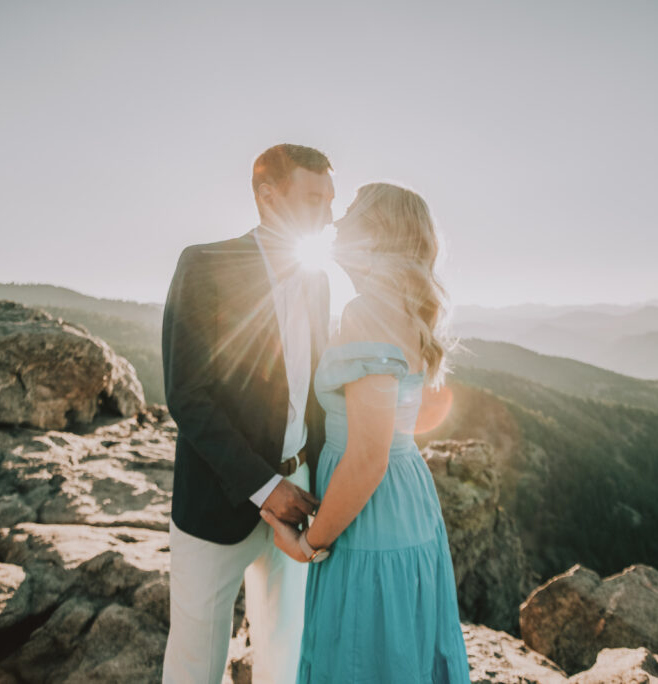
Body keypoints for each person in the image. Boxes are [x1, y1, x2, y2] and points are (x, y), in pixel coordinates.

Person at [260, 182, 471, 682]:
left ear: (377, 235)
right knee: (398, 647)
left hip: (371, 514)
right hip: (405, 500)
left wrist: (309, 544)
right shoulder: (402, 309)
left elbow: (367, 458)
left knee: (362, 651)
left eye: (352, 212)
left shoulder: (367, 311)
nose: (336, 222)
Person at [161, 143, 334, 683]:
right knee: (195, 663)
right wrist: (264, 486)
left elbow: (314, 395)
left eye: (330, 201)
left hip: (301, 493)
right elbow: (187, 394)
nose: (328, 216)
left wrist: (320, 484)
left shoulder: (318, 281)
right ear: (267, 196)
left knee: (288, 654)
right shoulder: (204, 265)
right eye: (314, 199)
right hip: (216, 498)